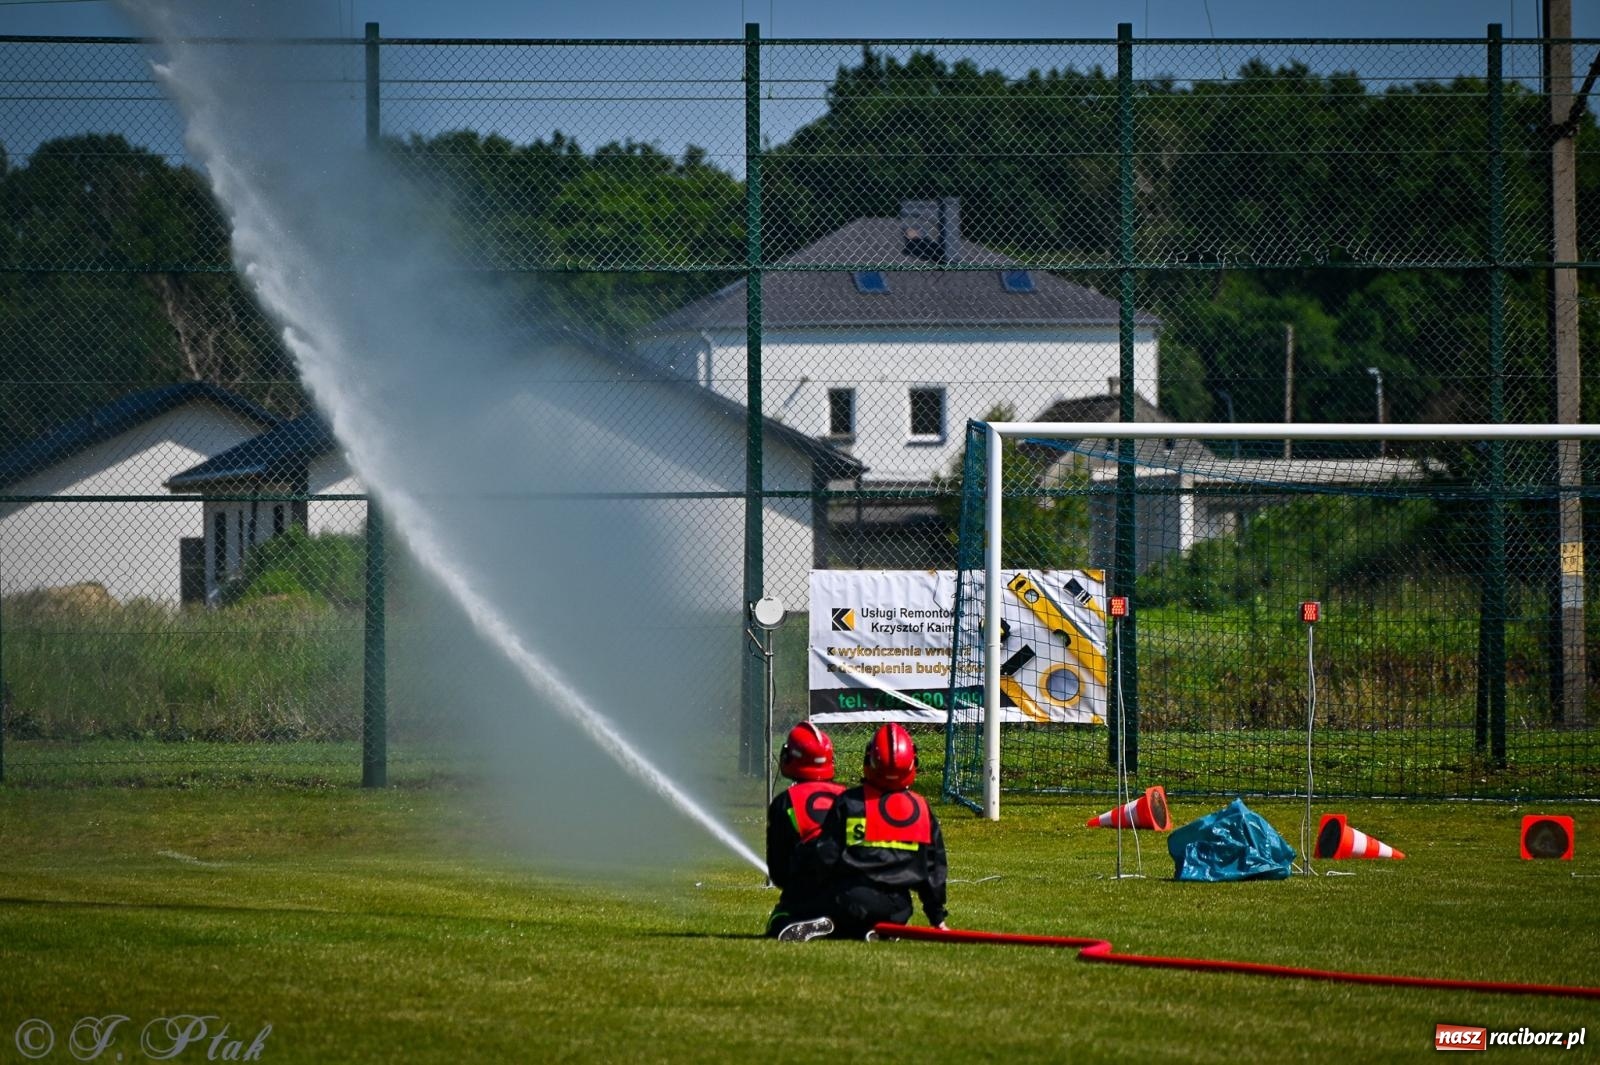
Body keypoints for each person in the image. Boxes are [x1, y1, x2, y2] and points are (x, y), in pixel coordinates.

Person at [777, 722, 949, 942]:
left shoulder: (850, 803)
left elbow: (824, 856)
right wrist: (937, 919)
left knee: (810, 907)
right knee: (886, 917)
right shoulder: (922, 810)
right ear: (913, 763)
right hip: (896, 908)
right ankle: (881, 931)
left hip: (847, 898)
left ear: (869, 760)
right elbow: (934, 871)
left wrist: (803, 888)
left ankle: (829, 923)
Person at [763, 721, 847, 938]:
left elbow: (778, 870)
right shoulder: (850, 797)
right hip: (850, 894)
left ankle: (802, 919)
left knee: (778, 920)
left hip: (804, 893)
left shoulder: (785, 802)